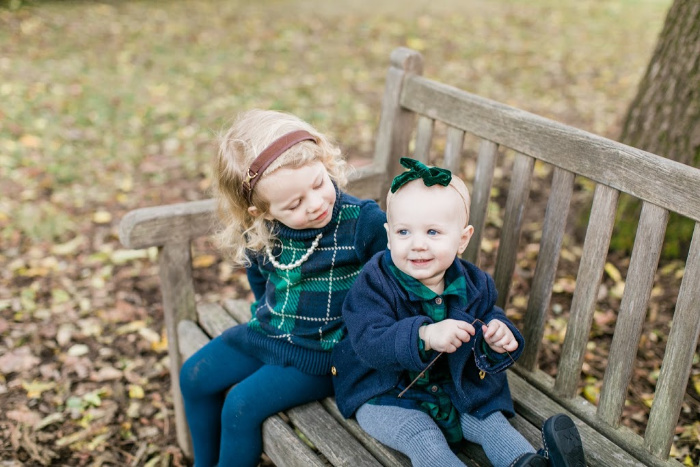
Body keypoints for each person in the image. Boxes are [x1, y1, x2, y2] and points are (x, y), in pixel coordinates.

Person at [332, 158, 586, 467]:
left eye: (433, 233)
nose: (418, 245)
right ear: (388, 235)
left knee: (491, 422)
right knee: (423, 437)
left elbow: (488, 314)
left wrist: (497, 335)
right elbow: (369, 342)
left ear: (462, 239)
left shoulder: (473, 282)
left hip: (457, 389)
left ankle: (529, 462)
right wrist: (423, 335)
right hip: (389, 395)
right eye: (403, 232)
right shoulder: (374, 283)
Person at [179, 109, 389, 467]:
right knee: (194, 376)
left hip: (325, 354)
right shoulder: (263, 231)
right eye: (294, 204)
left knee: (241, 405)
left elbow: (399, 284)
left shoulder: (363, 223)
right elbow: (259, 274)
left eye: (320, 183)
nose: (317, 203)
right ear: (261, 212)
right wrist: (265, 311)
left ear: (324, 162)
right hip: (270, 331)